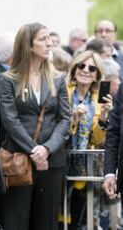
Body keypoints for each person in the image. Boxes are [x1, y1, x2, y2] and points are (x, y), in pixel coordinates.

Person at [0, 23, 70, 230]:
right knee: (16, 221)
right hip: (19, 159)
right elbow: (10, 120)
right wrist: (33, 150)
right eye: (43, 39)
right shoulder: (8, 80)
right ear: (28, 45)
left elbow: (64, 118)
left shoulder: (58, 79)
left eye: (49, 39)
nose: (49, 44)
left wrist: (46, 149)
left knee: (47, 222)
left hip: (52, 160)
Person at [65, 51, 112, 229]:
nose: (85, 70)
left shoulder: (98, 100)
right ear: (75, 68)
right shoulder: (63, 90)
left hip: (85, 168)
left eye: (91, 68)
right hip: (59, 162)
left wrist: (105, 115)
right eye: (81, 65)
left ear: (97, 75)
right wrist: (74, 120)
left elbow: (98, 138)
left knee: (77, 219)